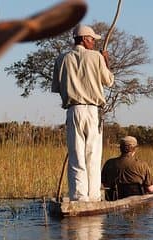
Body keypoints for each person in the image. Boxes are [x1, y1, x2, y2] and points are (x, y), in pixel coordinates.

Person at [52, 24, 114, 201]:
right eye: (92, 39)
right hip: (93, 111)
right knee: (92, 155)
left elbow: (57, 87)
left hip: (73, 110)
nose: (94, 43)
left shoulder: (61, 59)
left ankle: (79, 197)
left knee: (76, 155)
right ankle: (94, 197)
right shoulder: (96, 57)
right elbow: (109, 81)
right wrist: (105, 60)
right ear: (84, 39)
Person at [101, 136, 153, 201]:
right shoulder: (142, 164)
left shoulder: (109, 163)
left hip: (115, 196)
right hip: (137, 196)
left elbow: (104, 184)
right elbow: (150, 189)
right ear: (135, 149)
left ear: (120, 148)